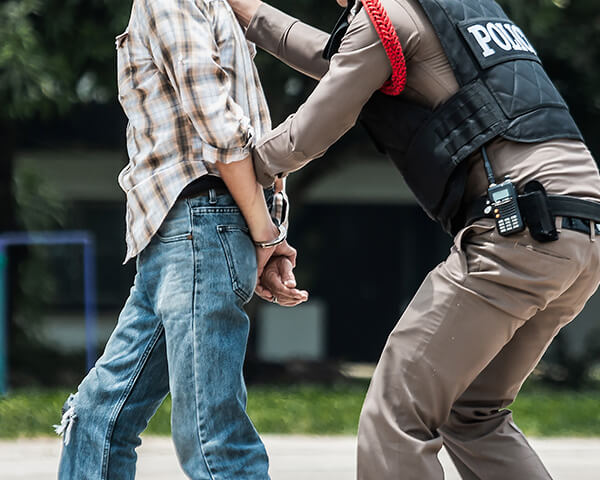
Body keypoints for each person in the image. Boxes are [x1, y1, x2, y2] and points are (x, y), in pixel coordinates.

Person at [228, 0, 600, 478]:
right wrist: (253, 13)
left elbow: (308, 133)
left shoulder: (386, 18)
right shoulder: (451, 11)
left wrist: (236, 168)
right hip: (579, 231)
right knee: (474, 413)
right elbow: (337, 60)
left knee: (396, 415)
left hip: (516, 234)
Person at [55, 0, 307, 478]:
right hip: (177, 235)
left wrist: (265, 233)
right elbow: (250, 129)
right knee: (95, 420)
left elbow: (218, 124)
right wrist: (266, 229)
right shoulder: (220, 11)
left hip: (198, 228)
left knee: (214, 440)